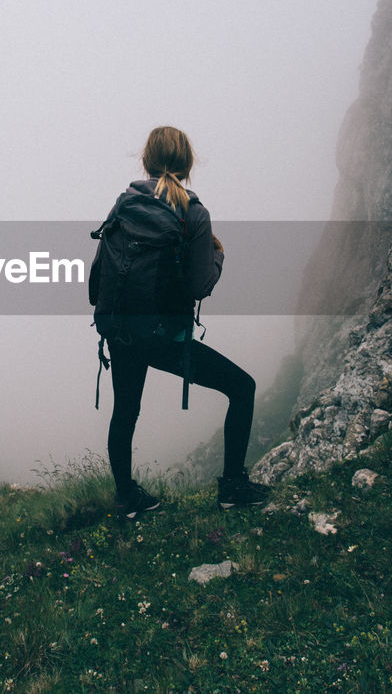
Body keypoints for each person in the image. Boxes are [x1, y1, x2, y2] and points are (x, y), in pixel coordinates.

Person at [91, 126, 271, 517]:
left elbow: (99, 273)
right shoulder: (194, 213)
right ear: (188, 163)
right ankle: (233, 488)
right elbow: (200, 284)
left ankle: (126, 498)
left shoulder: (122, 205)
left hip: (121, 330)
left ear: (147, 160)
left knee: (125, 410)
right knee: (242, 388)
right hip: (164, 337)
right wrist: (218, 255)